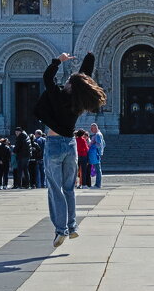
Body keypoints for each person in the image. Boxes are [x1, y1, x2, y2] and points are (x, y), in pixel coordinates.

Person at [34, 52, 106, 247]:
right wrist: (90, 56)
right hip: (71, 145)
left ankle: (60, 230)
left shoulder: (57, 97)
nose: (65, 82)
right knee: (69, 189)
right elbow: (84, 76)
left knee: (54, 189)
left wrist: (58, 60)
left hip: (55, 145)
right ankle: (72, 226)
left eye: (68, 81)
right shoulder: (79, 101)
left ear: (70, 85)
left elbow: (47, 78)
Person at [89, 123, 105, 188]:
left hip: (96, 154)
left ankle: (98, 184)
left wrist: (91, 145)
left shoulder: (98, 135)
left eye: (92, 128)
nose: (91, 130)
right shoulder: (98, 134)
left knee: (98, 169)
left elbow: (99, 144)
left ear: (95, 128)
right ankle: (97, 184)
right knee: (97, 169)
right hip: (97, 153)